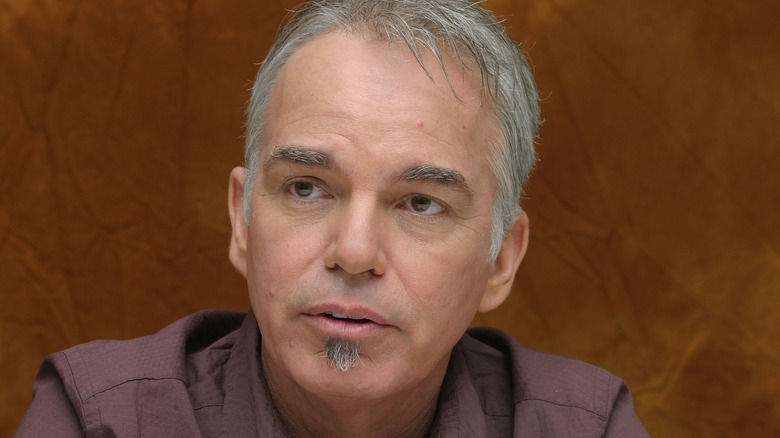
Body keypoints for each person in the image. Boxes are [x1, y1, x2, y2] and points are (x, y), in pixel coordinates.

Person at [15, 0, 649, 436]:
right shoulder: (102, 419)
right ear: (242, 221)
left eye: (421, 202)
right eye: (307, 188)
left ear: (500, 259)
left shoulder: (585, 426)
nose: (353, 250)